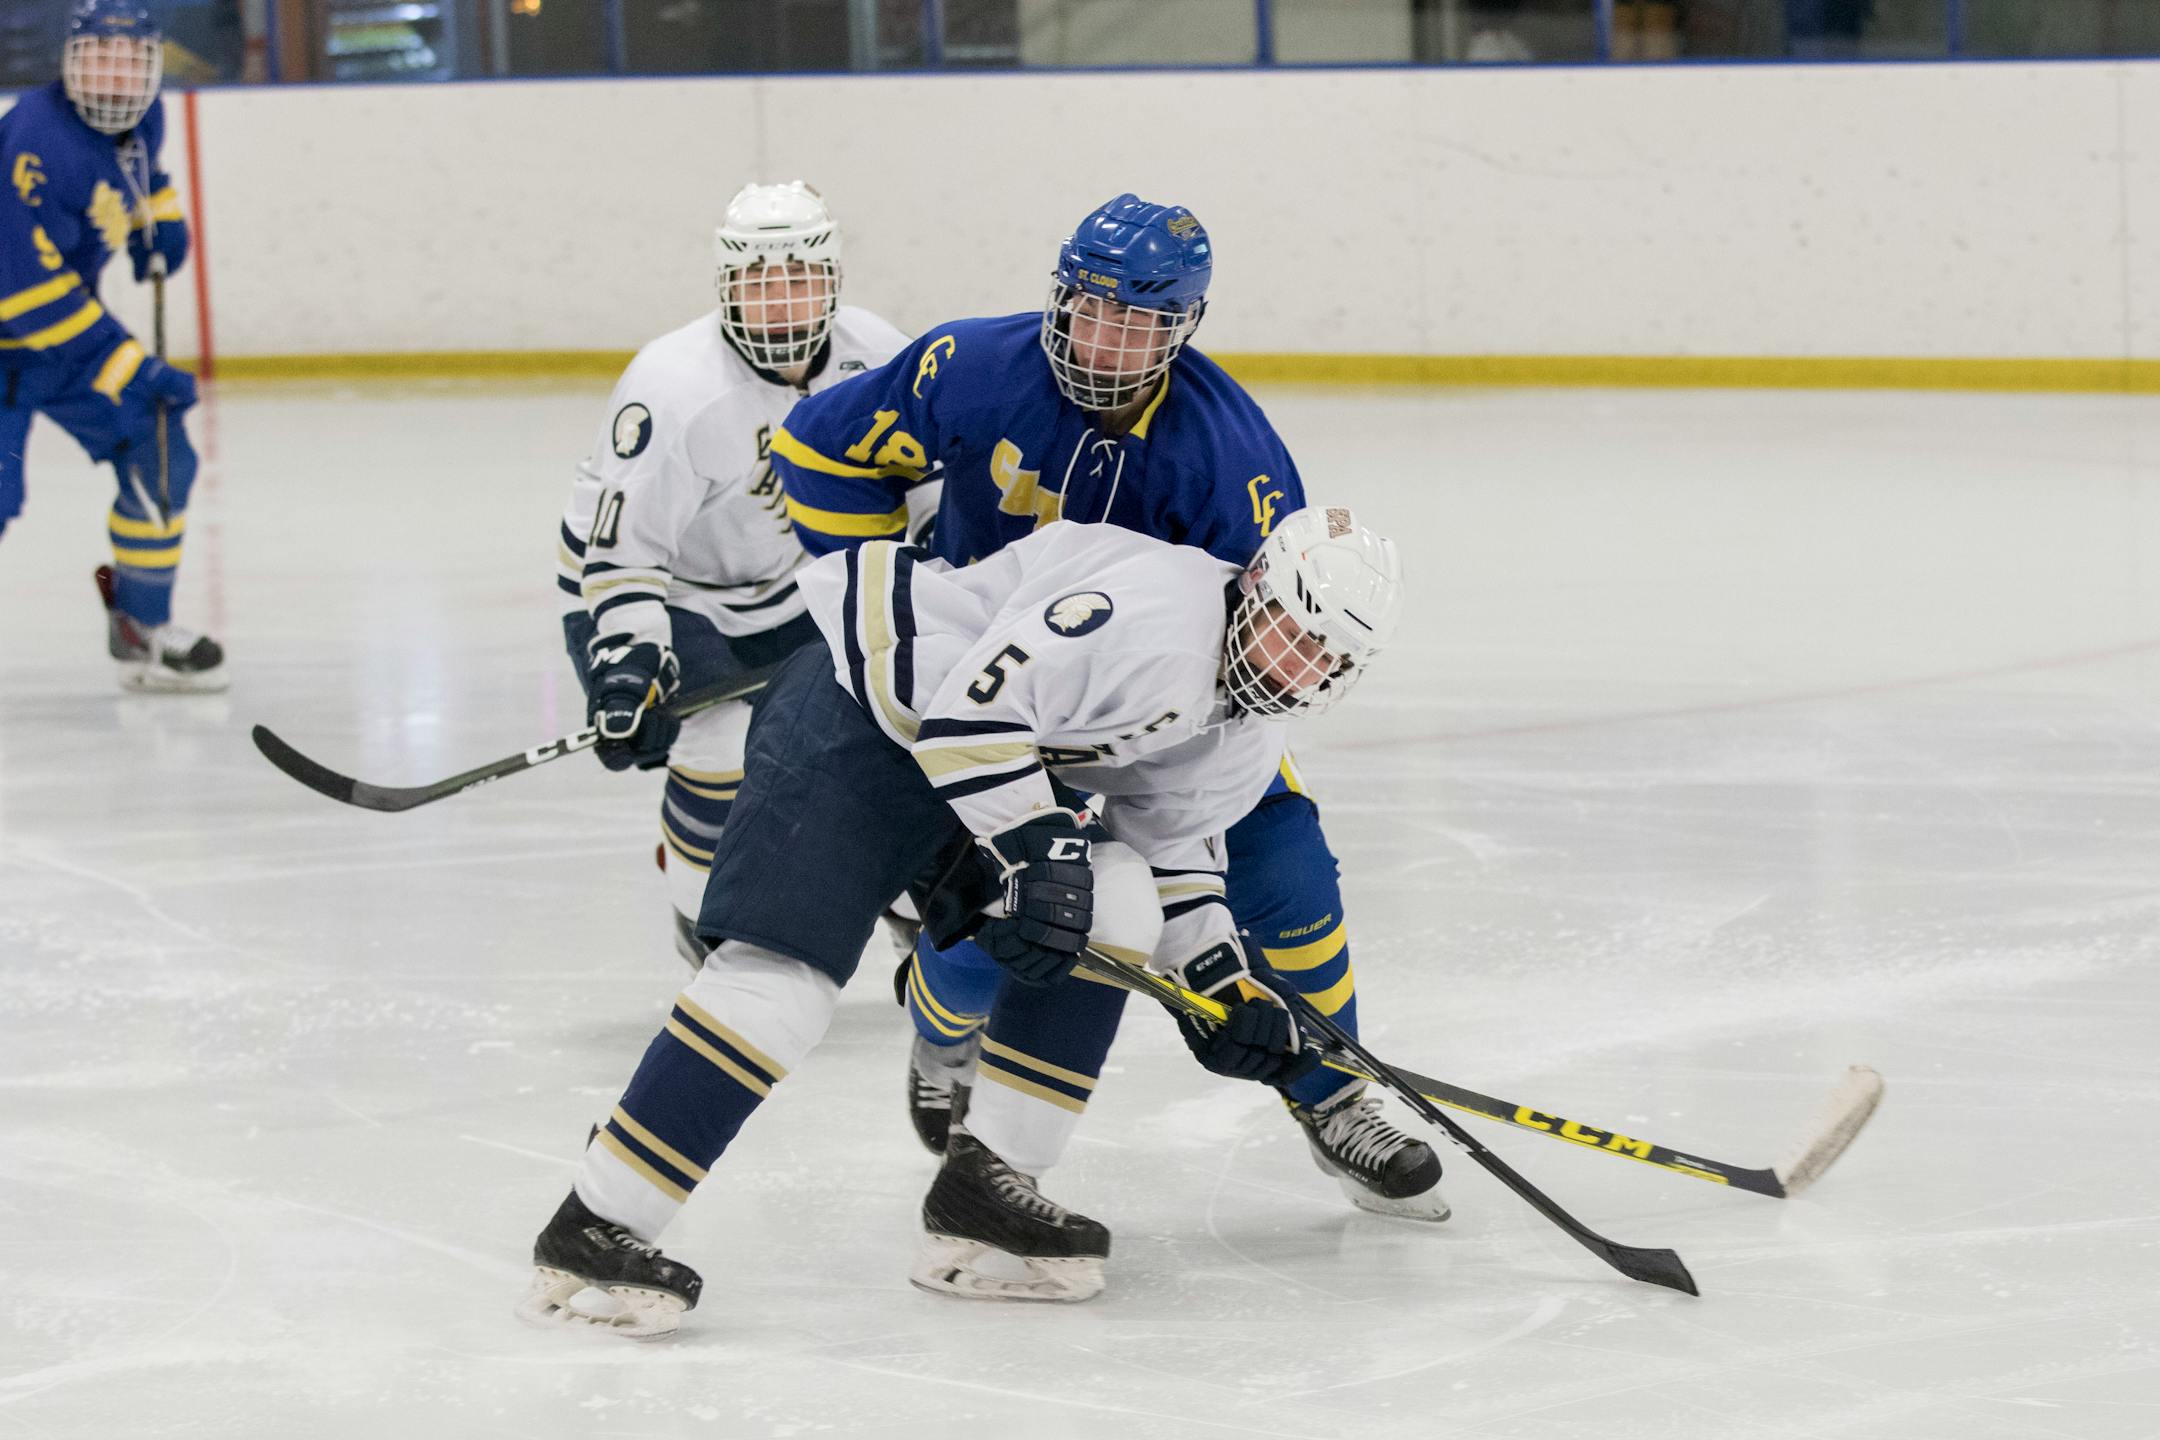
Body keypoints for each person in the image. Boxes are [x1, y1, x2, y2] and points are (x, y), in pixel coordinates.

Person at [520, 508, 1405, 1335]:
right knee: (779, 985)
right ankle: (597, 1221)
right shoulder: (1159, 617)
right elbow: (965, 717)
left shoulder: (1243, 730)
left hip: (966, 776)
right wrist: (1039, 856)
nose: (1294, 664)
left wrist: (1222, 988)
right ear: (1255, 585)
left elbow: (1175, 853)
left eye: (1322, 658)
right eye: (1292, 629)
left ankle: (986, 1190)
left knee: (1118, 900)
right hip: (862, 709)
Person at [766, 194, 1449, 1237]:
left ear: (1183, 328)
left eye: (1140, 324)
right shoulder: (972, 366)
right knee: (986, 929)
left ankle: (1331, 1088)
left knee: (1285, 863)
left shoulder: (1234, 462)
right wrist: (892, 590)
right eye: (1092, 311)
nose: (1109, 342)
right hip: (992, 701)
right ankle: (943, 1026)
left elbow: (1259, 653)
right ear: (1060, 298)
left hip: (1161, 707)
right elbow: (818, 455)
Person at [555, 180, 913, 963]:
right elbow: (621, 555)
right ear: (726, 287)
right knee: (716, 743)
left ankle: (903, 885)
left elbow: (921, 488)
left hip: (788, 584)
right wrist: (629, 665)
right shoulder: (673, 387)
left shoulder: (875, 353)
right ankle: (704, 921)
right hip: (651, 588)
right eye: (757, 282)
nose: (779, 303)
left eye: (798, 279)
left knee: (877, 727)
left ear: (833, 281)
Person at [1, 0, 216, 691]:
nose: (113, 78)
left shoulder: (143, 118)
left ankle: (140, 627)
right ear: (69, 65)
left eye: (128, 61)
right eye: (98, 59)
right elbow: (25, 296)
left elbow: (142, 177)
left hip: (58, 339)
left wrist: (161, 222)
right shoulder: (32, 139)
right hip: (22, 323)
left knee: (157, 449)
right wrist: (134, 364)